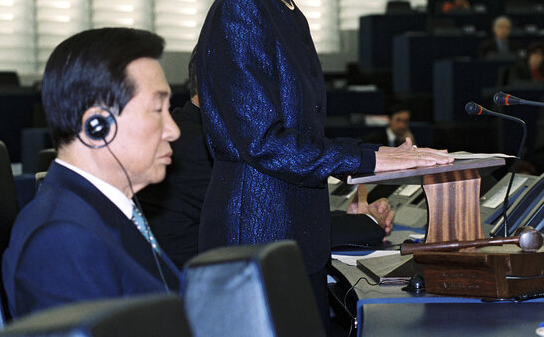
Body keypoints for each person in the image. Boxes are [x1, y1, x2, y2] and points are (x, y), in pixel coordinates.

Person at [193, 0, 452, 331]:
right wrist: (370, 157)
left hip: (295, 234)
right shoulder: (242, 10)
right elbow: (265, 143)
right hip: (256, 236)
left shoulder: (285, 8)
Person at [139, 51, 395, 269]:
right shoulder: (200, 148)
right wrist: (368, 223)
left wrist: (349, 218)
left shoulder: (195, 131)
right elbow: (274, 227)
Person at [2, 28, 182, 317]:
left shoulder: (105, 211)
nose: (173, 131)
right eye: (157, 110)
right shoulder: (63, 240)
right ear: (98, 127)